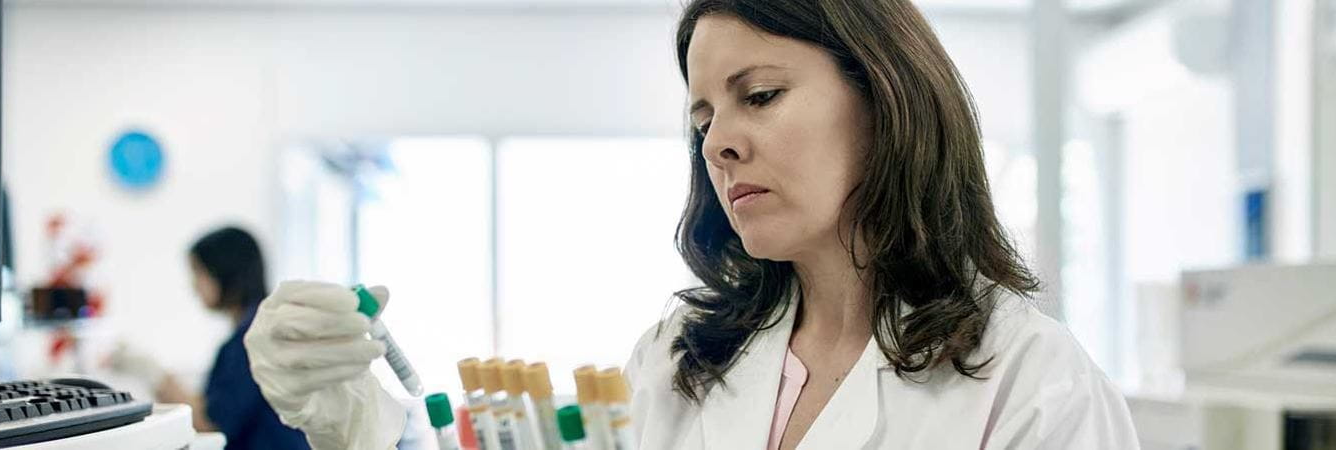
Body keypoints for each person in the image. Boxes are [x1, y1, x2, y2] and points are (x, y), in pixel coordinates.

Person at [242, 0, 1140, 448]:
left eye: (760, 96)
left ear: (887, 96)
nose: (720, 146)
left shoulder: (1030, 383)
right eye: (703, 118)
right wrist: (361, 421)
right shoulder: (684, 355)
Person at [158, 227, 312, 450]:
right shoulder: (259, 329)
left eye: (198, 273)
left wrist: (156, 376)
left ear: (225, 272)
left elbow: (210, 423)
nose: (194, 285)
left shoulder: (253, 339)